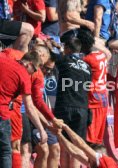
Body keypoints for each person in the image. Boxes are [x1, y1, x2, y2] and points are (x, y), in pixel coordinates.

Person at [0, 51, 48, 168]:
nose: (35, 73)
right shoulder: (24, 75)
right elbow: (29, 107)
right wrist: (41, 129)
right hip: (2, 114)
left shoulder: (3, 60)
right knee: (5, 152)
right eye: (35, 69)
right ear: (29, 64)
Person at [54, 37, 91, 168]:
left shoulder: (63, 60)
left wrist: (51, 45)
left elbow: (51, 55)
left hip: (65, 105)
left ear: (67, 49)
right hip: (82, 107)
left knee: (65, 144)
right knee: (77, 145)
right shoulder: (87, 66)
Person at [77, 28, 109, 146]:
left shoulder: (87, 60)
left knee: (88, 141)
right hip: (103, 99)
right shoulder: (102, 55)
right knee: (97, 141)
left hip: (93, 101)